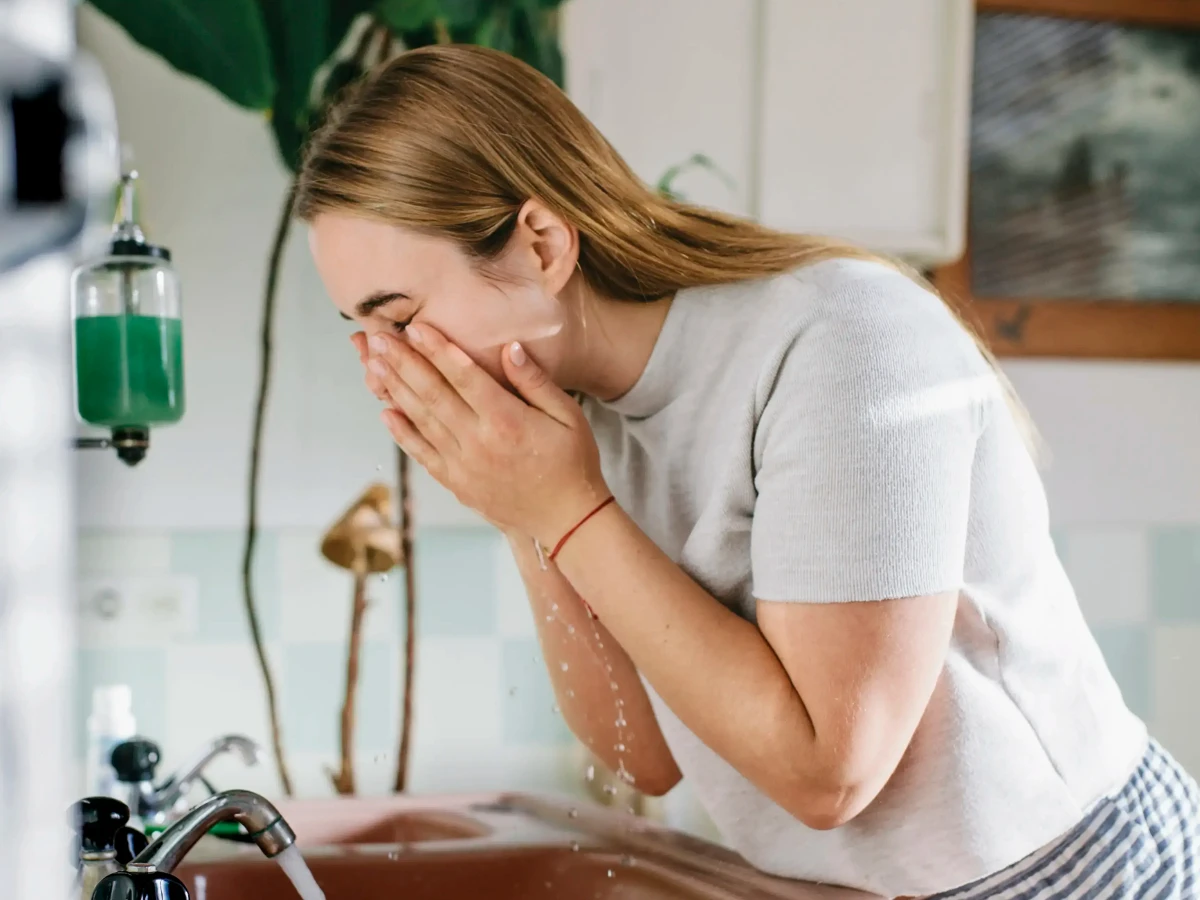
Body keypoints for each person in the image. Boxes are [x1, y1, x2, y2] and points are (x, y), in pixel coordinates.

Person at [294, 44, 1198, 899]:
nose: (386, 363)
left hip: (1071, 873)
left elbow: (829, 773)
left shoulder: (843, 341)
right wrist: (525, 513)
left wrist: (563, 509)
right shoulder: (578, 420)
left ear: (540, 244)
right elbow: (640, 751)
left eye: (402, 316)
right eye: (361, 330)